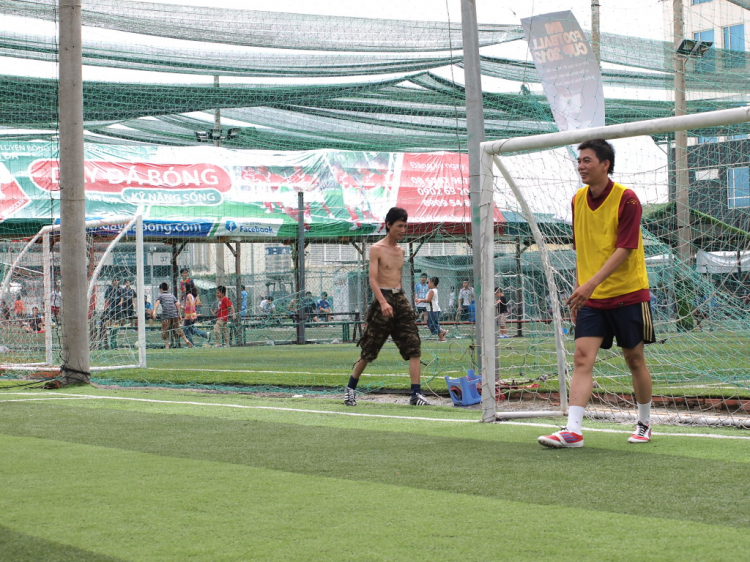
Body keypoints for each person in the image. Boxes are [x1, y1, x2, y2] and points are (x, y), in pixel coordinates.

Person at [538, 139, 655, 449]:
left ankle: (644, 422)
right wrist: (581, 293)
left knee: (634, 359)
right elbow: (582, 251)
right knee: (581, 358)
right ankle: (573, 430)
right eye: (579, 161)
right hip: (592, 299)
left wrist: (589, 286)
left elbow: (625, 250)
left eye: (587, 160)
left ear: (605, 164)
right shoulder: (577, 200)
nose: (581, 166)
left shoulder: (627, 200)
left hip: (628, 294)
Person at [344, 207, 431, 407]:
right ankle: (350, 390)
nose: (403, 230)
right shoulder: (376, 249)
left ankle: (416, 394)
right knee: (369, 349)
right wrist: (382, 302)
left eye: (405, 226)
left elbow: (398, 278)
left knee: (414, 346)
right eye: (399, 226)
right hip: (382, 299)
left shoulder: (401, 251)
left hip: (400, 299)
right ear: (388, 225)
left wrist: (400, 301)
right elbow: (372, 279)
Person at [152, 282, 192, 349]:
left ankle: (167, 345)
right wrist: (179, 314)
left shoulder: (160, 296)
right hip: (174, 315)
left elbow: (157, 302)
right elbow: (177, 304)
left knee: (165, 330)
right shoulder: (172, 295)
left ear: (160, 289)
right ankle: (186, 340)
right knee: (177, 328)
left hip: (166, 315)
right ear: (168, 289)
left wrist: (154, 311)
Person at [416, 276, 447, 342]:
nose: (427, 284)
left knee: (433, 324)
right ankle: (443, 331)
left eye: (428, 282)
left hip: (434, 310)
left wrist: (420, 300)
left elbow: (428, 300)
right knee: (431, 323)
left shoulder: (432, 291)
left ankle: (442, 338)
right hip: (433, 310)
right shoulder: (433, 290)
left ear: (432, 283)